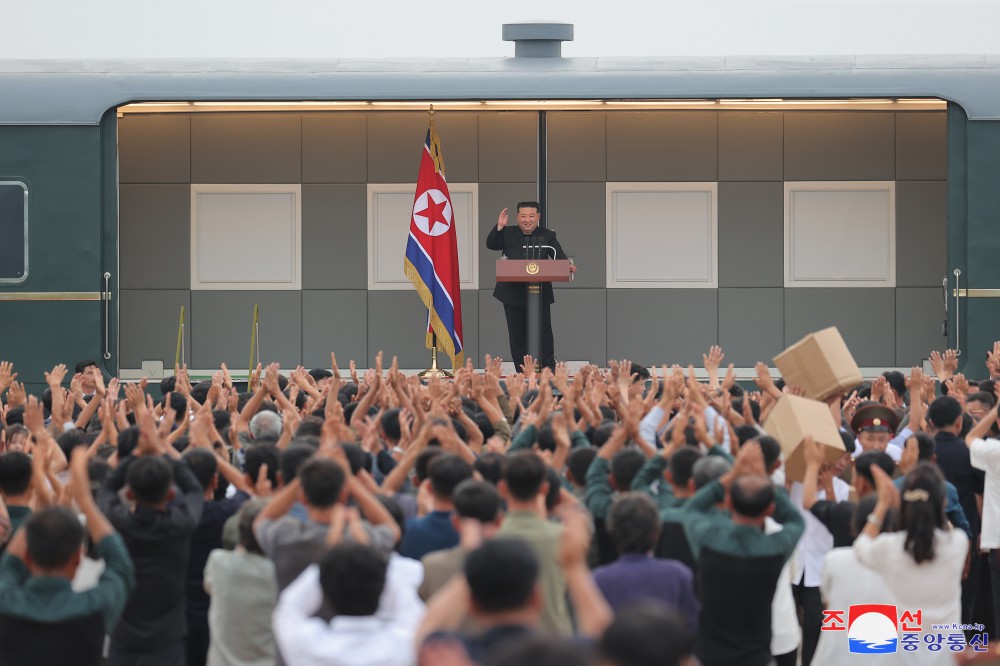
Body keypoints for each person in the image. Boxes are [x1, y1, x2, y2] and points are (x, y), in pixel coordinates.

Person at [0, 447, 135, 666]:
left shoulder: (5, 602)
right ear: (77, 560)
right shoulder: (94, 607)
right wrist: (86, 502)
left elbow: (10, 565)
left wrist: (42, 509)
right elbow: (120, 565)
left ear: (28, 558)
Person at [486, 202, 576, 371]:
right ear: (517, 217)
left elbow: (559, 256)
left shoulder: (548, 235)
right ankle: (523, 371)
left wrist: (566, 266)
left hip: (539, 292)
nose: (527, 220)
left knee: (544, 333)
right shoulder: (508, 232)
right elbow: (491, 244)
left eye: (531, 216)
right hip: (512, 293)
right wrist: (499, 226)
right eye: (523, 216)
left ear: (538, 217)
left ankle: (548, 369)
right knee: (517, 335)